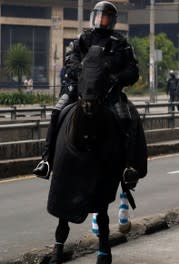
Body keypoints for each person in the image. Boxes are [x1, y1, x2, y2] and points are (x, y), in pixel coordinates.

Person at [33, 1, 141, 181]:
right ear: (93, 17)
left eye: (105, 17)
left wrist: (117, 78)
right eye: (98, 16)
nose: (101, 20)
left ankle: (127, 166)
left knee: (125, 118)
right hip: (78, 89)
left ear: (112, 20)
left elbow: (133, 70)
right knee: (56, 112)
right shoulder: (82, 38)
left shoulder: (121, 43)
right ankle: (46, 161)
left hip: (109, 92)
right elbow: (70, 60)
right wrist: (82, 74)